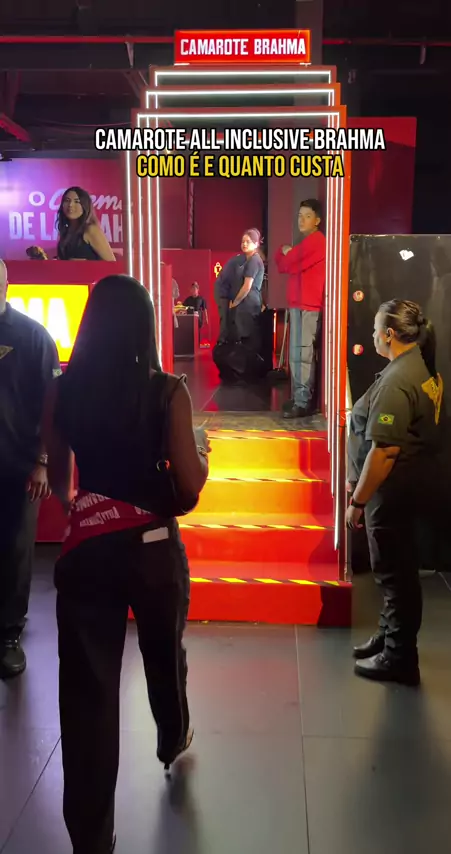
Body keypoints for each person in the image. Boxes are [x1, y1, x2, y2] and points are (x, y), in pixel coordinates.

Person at [44, 274, 210, 854]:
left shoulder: (64, 390)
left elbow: (61, 482)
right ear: (145, 325)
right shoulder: (168, 391)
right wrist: (202, 455)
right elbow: (190, 486)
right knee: (164, 653)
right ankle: (172, 737)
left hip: (88, 552)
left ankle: (91, 838)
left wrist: (91, 512)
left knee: (86, 696)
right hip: (154, 550)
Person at [346, 299, 443, 686]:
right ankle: (389, 637)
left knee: (394, 576)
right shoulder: (415, 365)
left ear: (389, 335)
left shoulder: (398, 381)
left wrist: (357, 501)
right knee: (398, 572)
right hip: (404, 489)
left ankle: (399, 658)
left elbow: (384, 451)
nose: (371, 335)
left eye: (375, 329)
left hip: (391, 494)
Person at [0, 259, 60, 679]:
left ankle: (8, 635)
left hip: (19, 467)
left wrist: (42, 462)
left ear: (5, 285)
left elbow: (53, 407)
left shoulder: (33, 337)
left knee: (16, 551)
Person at [275, 199, 326, 419]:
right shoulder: (306, 242)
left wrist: (287, 252)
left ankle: (303, 401)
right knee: (296, 355)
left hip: (309, 305)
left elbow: (287, 263)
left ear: (317, 220)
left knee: (302, 354)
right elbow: (282, 262)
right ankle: (298, 398)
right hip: (299, 304)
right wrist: (284, 252)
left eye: (307, 216)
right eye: (300, 215)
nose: (302, 220)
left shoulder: (317, 241)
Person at [56, 186, 116, 261]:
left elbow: (112, 263)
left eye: (77, 201)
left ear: (85, 206)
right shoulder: (65, 231)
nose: (70, 205)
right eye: (67, 200)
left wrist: (85, 263)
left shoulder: (91, 230)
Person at [230, 228, 264, 354]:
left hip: (248, 304)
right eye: (243, 241)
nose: (244, 244)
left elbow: (247, 286)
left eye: (248, 241)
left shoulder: (254, 261)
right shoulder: (250, 260)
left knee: (247, 341)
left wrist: (235, 302)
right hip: (248, 304)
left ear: (256, 244)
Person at [214, 253, 246, 344]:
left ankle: (229, 339)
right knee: (227, 317)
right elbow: (235, 284)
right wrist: (236, 299)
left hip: (223, 293)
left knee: (229, 317)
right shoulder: (237, 267)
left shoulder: (233, 265)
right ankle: (225, 340)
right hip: (224, 294)